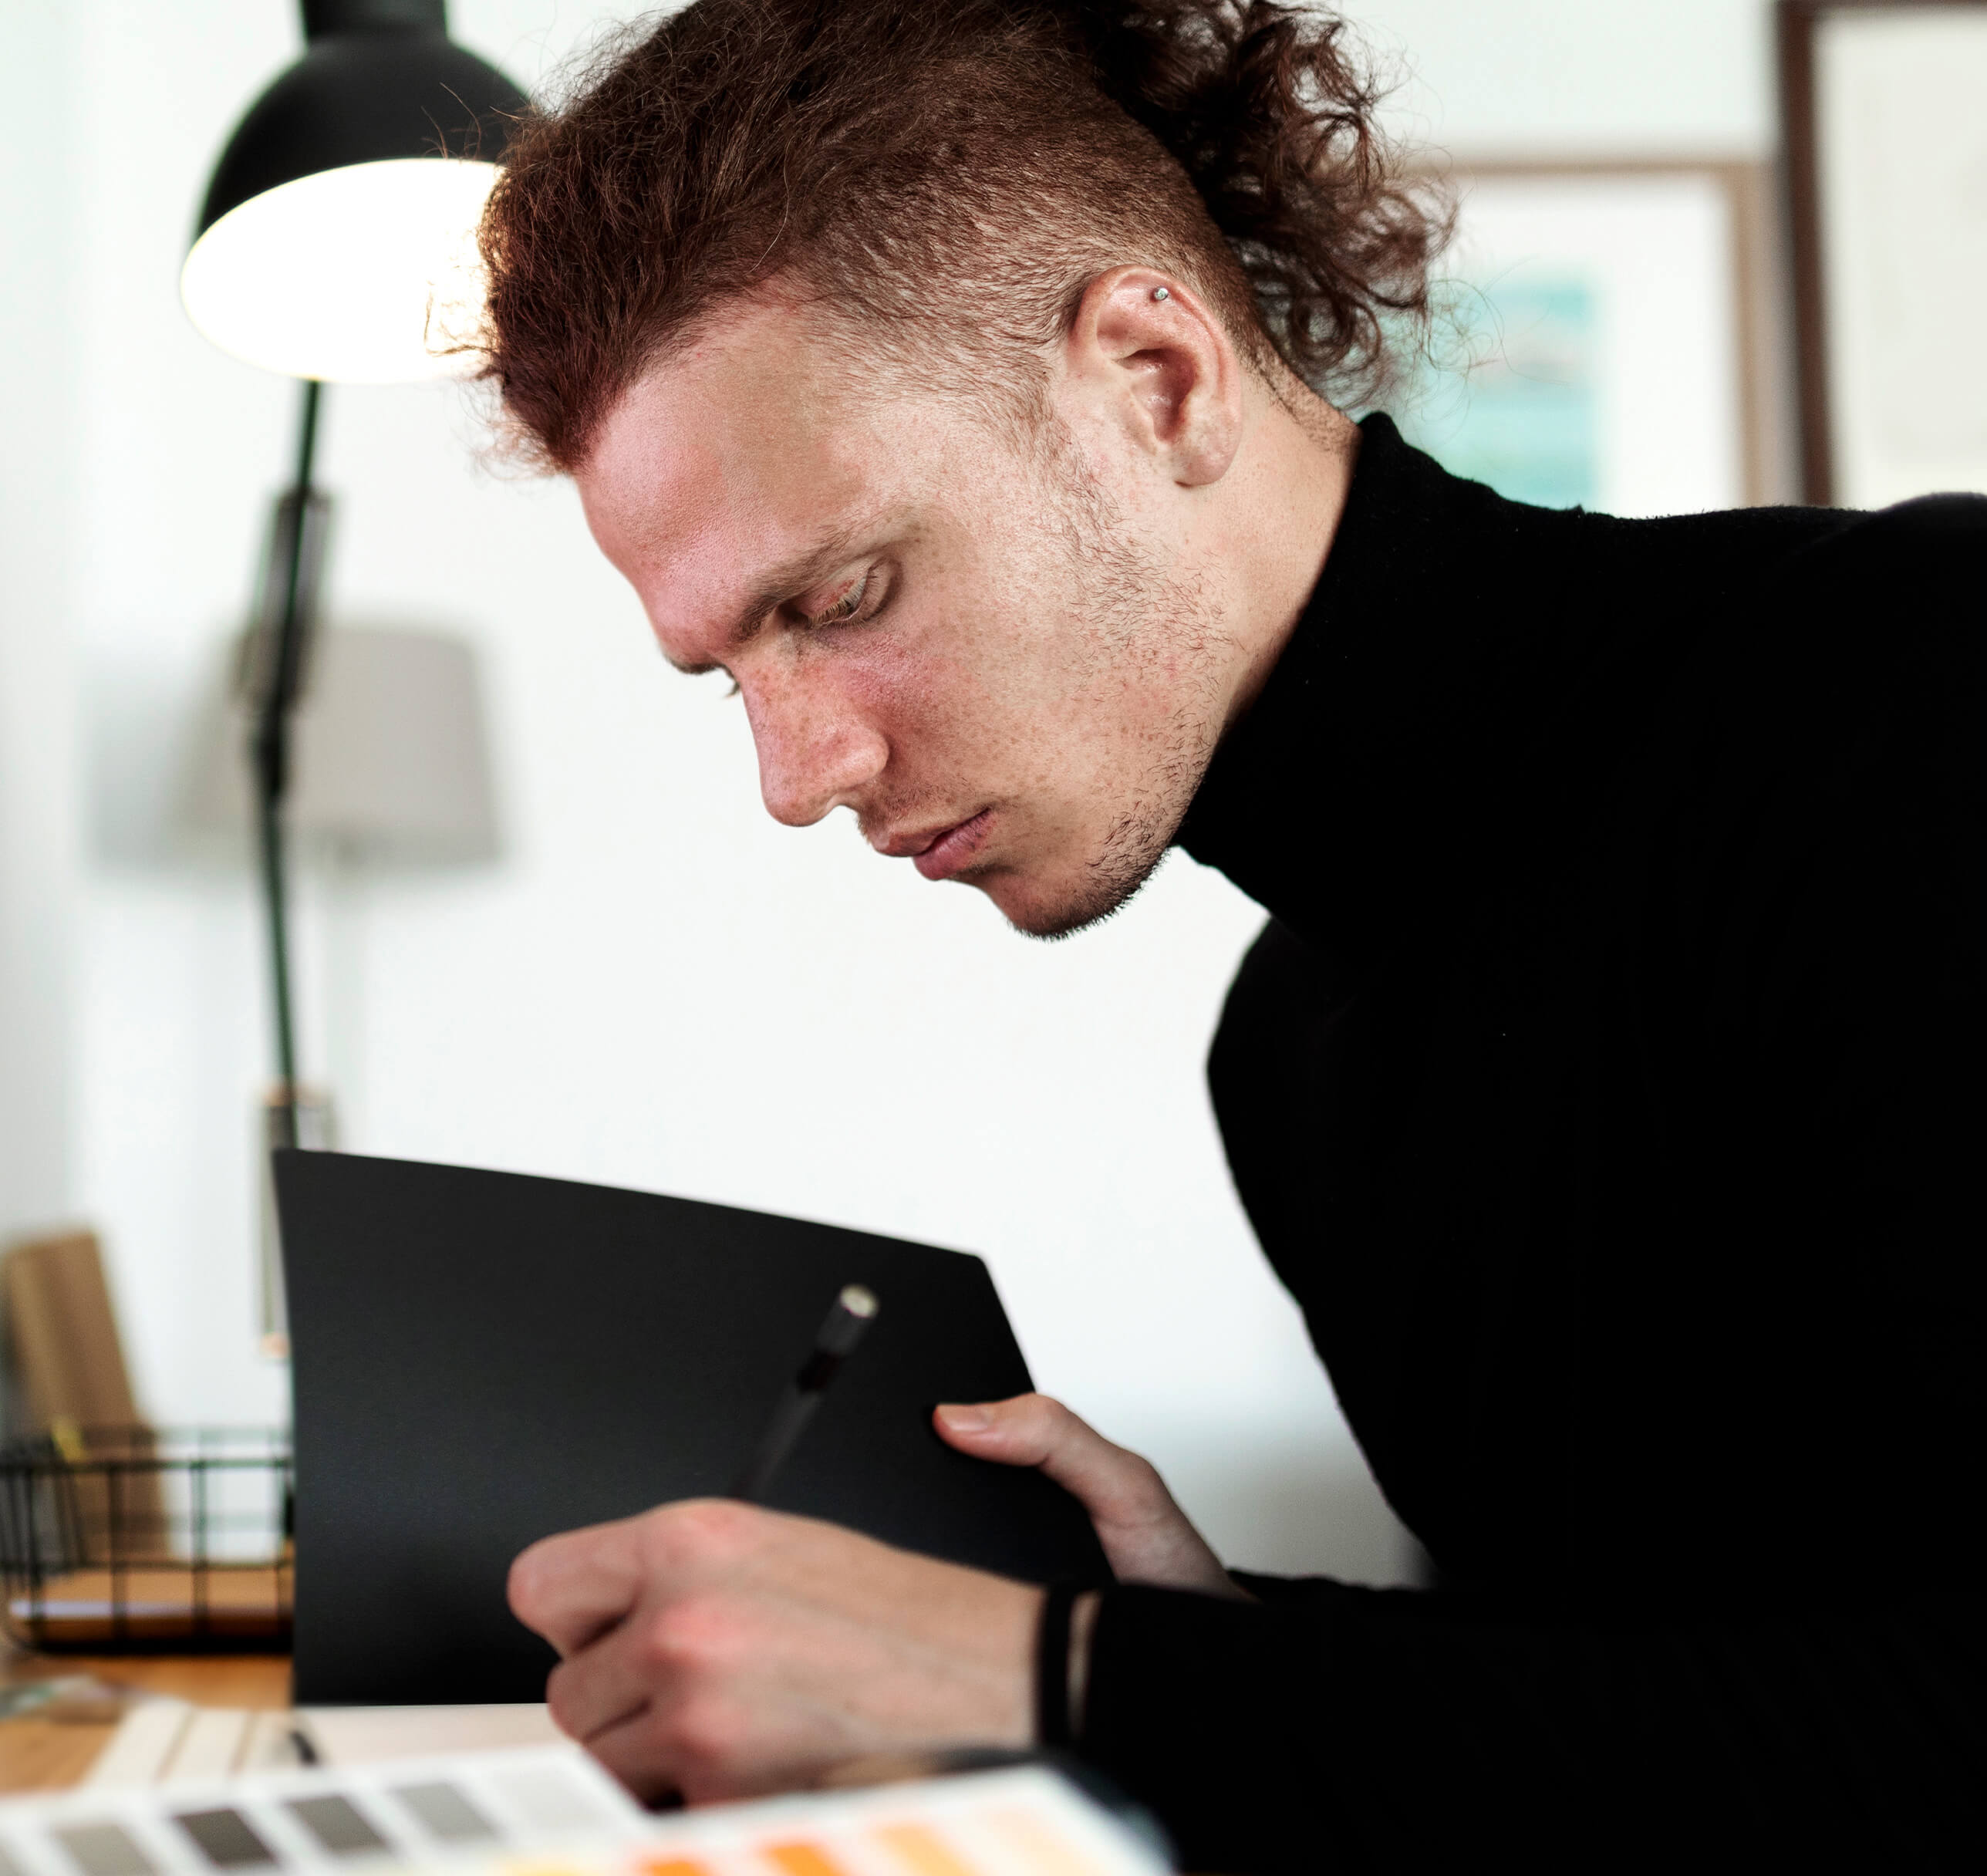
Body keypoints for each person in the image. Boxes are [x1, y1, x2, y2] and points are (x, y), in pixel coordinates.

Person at [469, 2, 1987, 1869]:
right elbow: (1668, 1699)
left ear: (1153, 380)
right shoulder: (1294, 1048)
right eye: (728, 676)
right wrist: (1214, 1638)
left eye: (845, 594)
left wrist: (1053, 1671)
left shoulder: (1922, 687)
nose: (801, 774)